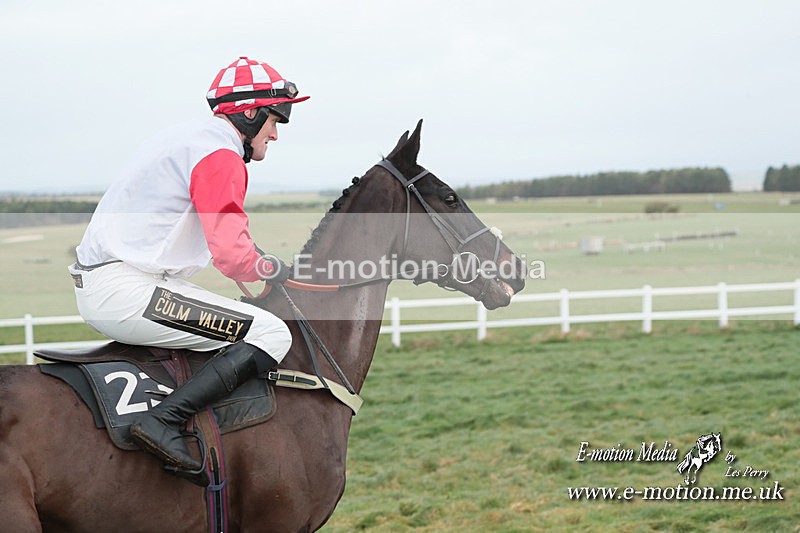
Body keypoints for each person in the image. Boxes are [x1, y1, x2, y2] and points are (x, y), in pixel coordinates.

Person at [69, 56, 309, 473]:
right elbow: (232, 254)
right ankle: (162, 422)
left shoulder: (191, 139)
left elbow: (231, 249)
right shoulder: (220, 154)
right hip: (127, 290)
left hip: (125, 282)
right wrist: (271, 269)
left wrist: (256, 272)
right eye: (276, 118)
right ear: (249, 112)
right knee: (271, 333)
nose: (276, 133)